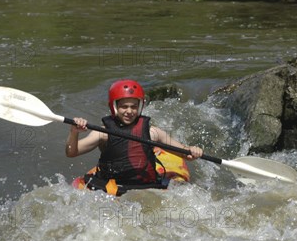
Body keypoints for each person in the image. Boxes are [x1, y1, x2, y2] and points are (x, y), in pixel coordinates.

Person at [65, 79, 203, 195]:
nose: (129, 111)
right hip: (110, 187)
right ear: (114, 107)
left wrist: (193, 150)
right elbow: (72, 152)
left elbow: (184, 153)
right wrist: (74, 132)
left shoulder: (153, 133)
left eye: (134, 107)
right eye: (124, 107)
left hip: (146, 187)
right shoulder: (103, 132)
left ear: (140, 106)